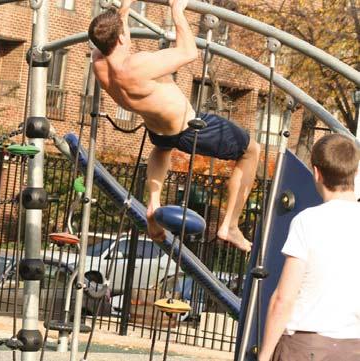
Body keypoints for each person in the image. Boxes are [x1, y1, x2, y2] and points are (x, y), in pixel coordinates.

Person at [88, 0, 260, 252]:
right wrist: (177, 10)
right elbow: (189, 52)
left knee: (161, 150)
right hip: (189, 128)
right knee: (251, 150)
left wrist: (124, 10)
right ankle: (230, 226)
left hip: (157, 130)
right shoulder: (137, 66)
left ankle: (154, 203)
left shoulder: (98, 64)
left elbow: (114, 37)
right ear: (123, 39)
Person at [259, 134, 360, 361]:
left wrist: (264, 355)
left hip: (306, 345)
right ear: (355, 172)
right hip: (353, 347)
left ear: (316, 172)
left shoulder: (308, 221)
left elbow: (284, 298)